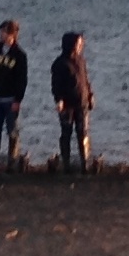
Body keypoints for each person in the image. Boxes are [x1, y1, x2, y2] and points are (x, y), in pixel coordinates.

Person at [0, 22, 30, 170]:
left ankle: (12, 162)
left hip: (10, 99)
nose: (1, 35)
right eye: (1, 32)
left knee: (12, 130)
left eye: (3, 32)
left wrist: (18, 99)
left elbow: (22, 79)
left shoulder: (19, 55)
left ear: (12, 34)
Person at [50, 30, 95, 168]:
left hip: (82, 103)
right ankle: (66, 163)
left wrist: (90, 95)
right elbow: (56, 85)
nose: (80, 46)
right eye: (78, 43)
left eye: (81, 43)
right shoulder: (60, 63)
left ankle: (85, 162)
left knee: (83, 133)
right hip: (67, 105)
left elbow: (85, 80)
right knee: (66, 133)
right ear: (71, 45)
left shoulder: (81, 60)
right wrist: (59, 100)